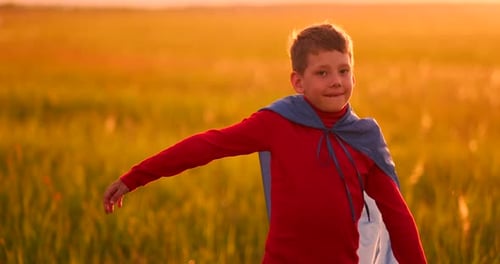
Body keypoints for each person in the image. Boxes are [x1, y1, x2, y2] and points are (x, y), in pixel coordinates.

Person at [103, 23, 427, 264]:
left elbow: (398, 217)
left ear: (354, 76)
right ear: (298, 82)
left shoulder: (363, 139)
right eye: (323, 73)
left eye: (344, 71)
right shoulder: (277, 123)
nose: (336, 82)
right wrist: (135, 177)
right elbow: (208, 146)